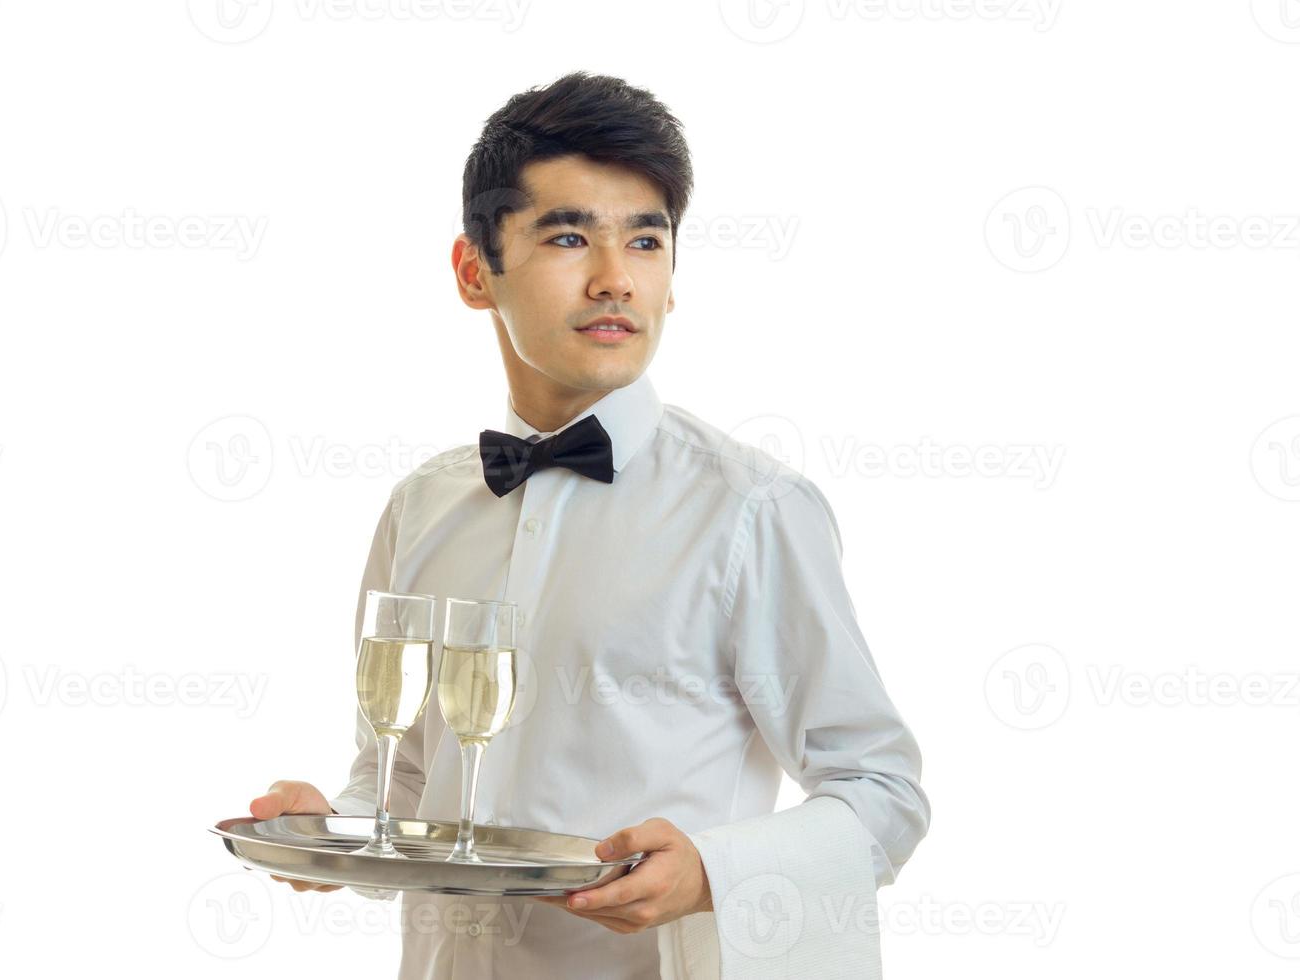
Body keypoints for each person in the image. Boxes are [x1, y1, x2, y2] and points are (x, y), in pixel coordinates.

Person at [248, 70, 930, 979]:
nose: (617, 279)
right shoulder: (420, 507)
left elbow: (882, 794)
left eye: (645, 242)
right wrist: (329, 831)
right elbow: (406, 784)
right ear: (473, 271)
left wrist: (711, 876)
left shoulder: (753, 512)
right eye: (569, 236)